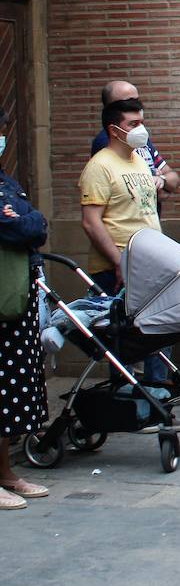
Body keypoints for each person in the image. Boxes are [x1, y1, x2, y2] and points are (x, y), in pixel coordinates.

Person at [79, 98, 168, 381]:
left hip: (149, 262)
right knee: (122, 339)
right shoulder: (100, 166)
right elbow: (91, 222)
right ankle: (128, 399)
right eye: (134, 124)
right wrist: (119, 262)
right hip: (117, 268)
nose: (141, 129)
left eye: (142, 122)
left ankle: (158, 397)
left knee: (156, 333)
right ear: (114, 129)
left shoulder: (140, 162)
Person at [0, 108, 52, 509]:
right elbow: (21, 227)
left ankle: (6, 473)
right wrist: (23, 223)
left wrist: (24, 221)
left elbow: (35, 226)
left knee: (10, 390)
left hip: (14, 297)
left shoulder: (7, 183)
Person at [89, 80, 180, 198]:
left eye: (137, 100)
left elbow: (173, 179)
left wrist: (162, 180)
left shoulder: (139, 138)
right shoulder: (107, 142)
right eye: (129, 102)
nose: (135, 106)